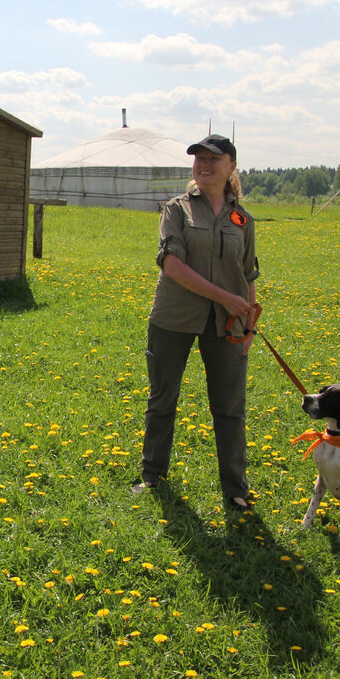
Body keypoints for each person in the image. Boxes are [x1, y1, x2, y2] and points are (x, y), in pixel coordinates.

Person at [133, 134, 259, 513]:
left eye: (213, 159)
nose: (204, 164)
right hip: (174, 318)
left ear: (231, 166)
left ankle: (236, 489)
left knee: (230, 408)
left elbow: (248, 274)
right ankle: (153, 475)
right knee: (162, 399)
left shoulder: (243, 219)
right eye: (198, 159)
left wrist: (249, 322)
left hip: (229, 324)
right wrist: (225, 297)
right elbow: (172, 266)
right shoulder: (176, 209)